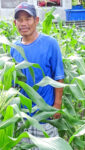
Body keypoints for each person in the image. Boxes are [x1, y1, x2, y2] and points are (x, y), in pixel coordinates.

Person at [10, 1, 64, 141]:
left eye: (28, 19)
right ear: (14, 23)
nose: (23, 23)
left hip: (44, 115)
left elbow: (59, 75)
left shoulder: (50, 43)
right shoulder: (13, 48)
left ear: (36, 20)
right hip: (22, 116)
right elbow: (12, 83)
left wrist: (57, 105)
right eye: (19, 20)